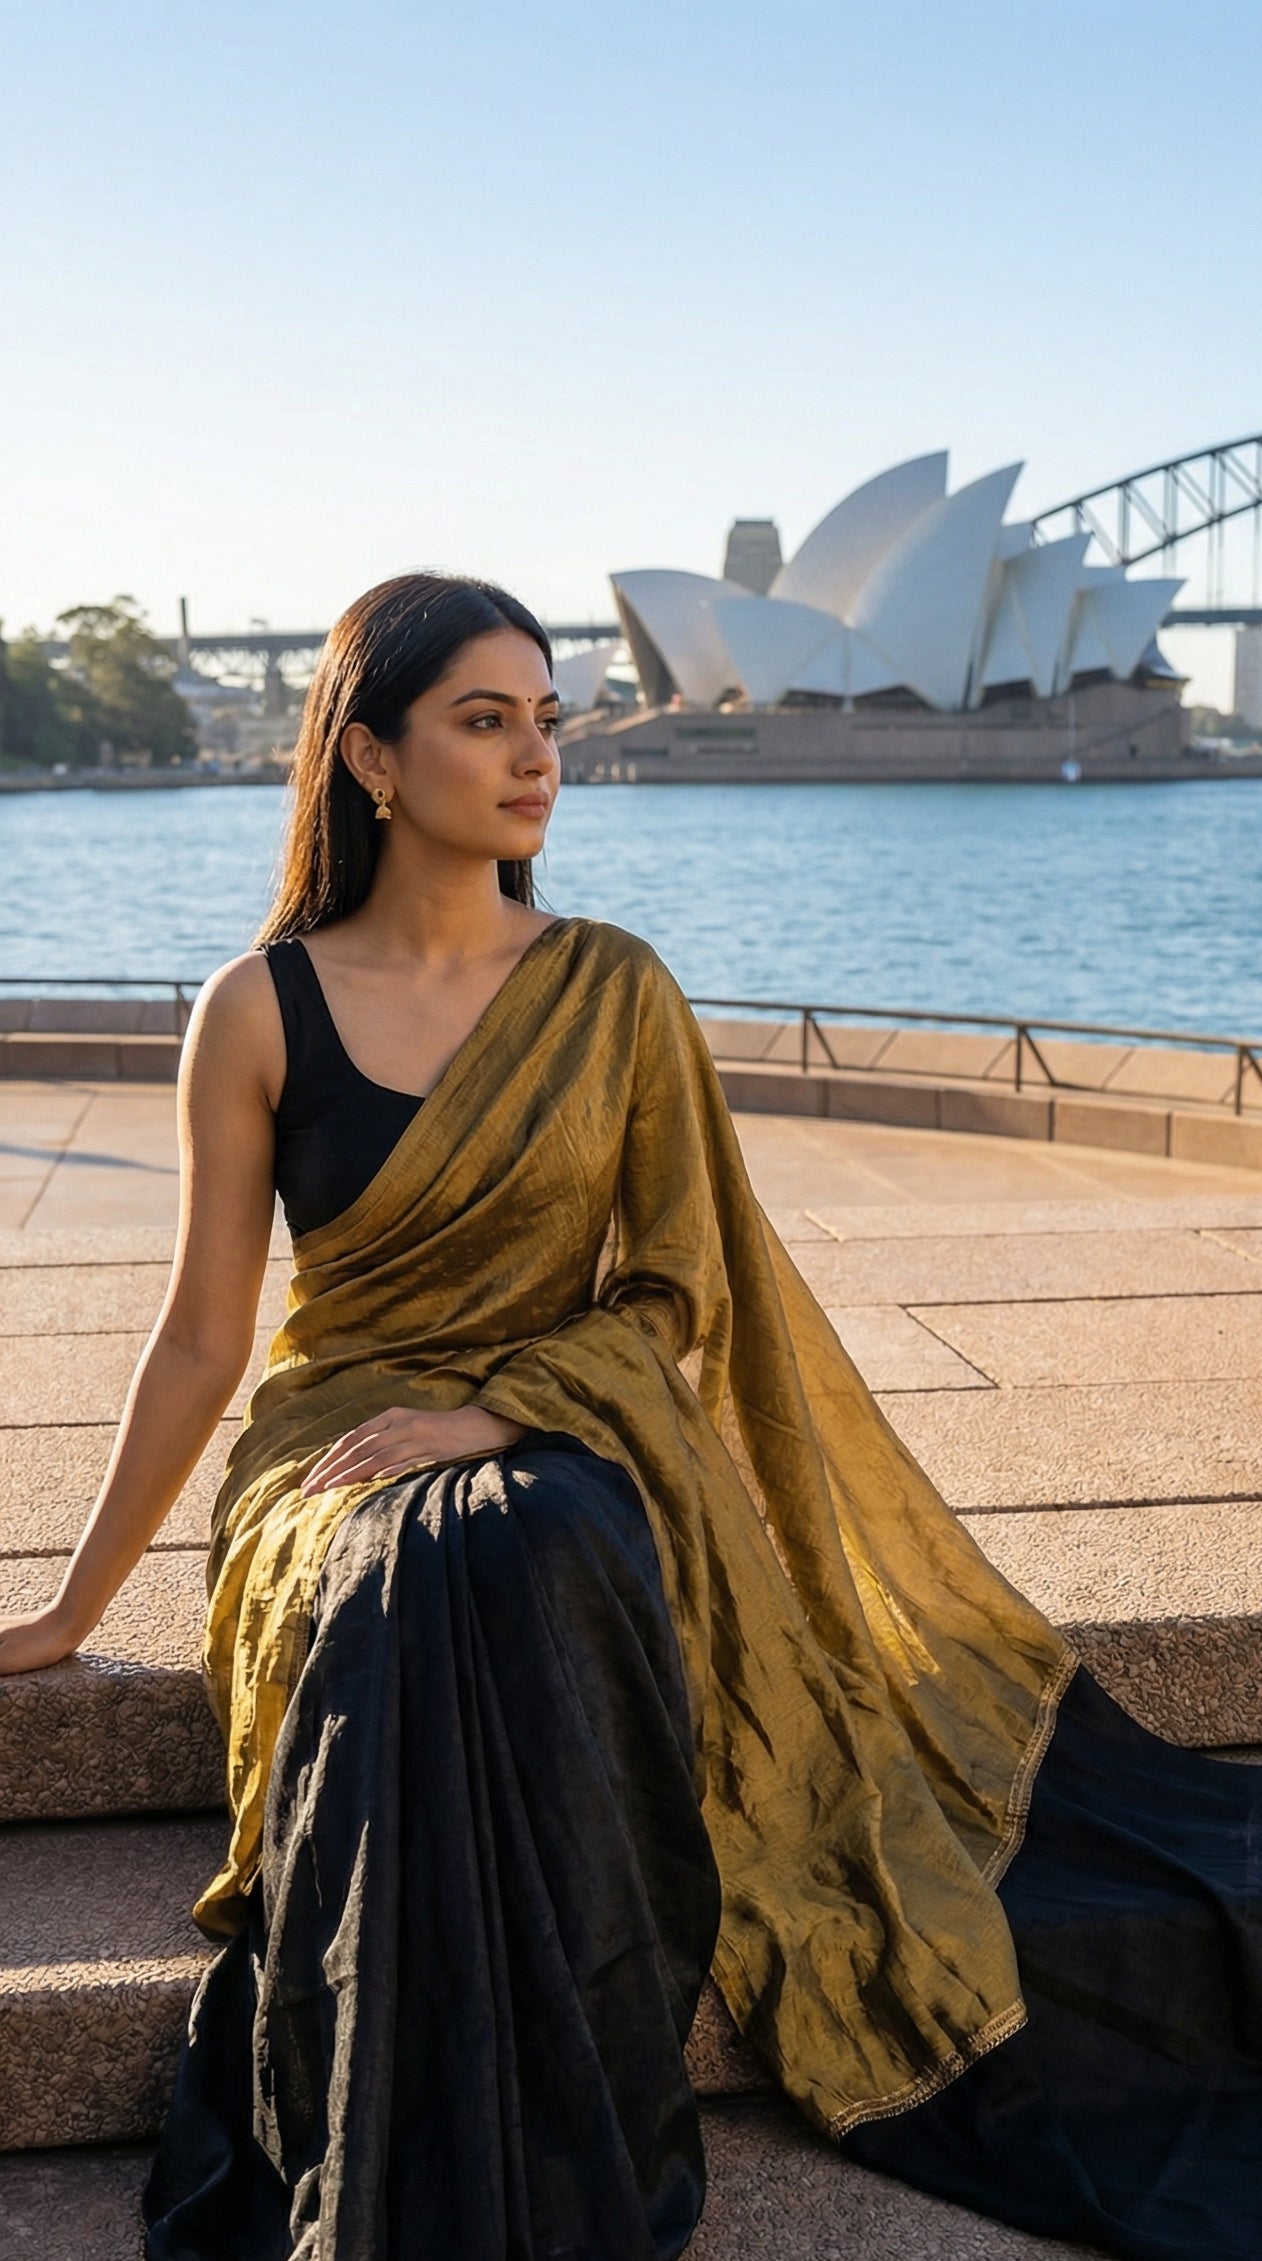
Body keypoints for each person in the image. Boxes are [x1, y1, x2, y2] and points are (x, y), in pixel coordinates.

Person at [0, 573, 1257, 2261]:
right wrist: (79, 1605)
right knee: (412, 1571)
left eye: (547, 720)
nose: (536, 758)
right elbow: (203, 1334)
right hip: (338, 1450)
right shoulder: (259, 1006)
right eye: (483, 719)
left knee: (520, 1532)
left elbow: (675, 1292)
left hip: (561, 1430)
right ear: (370, 756)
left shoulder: (613, 988)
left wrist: (499, 1407)